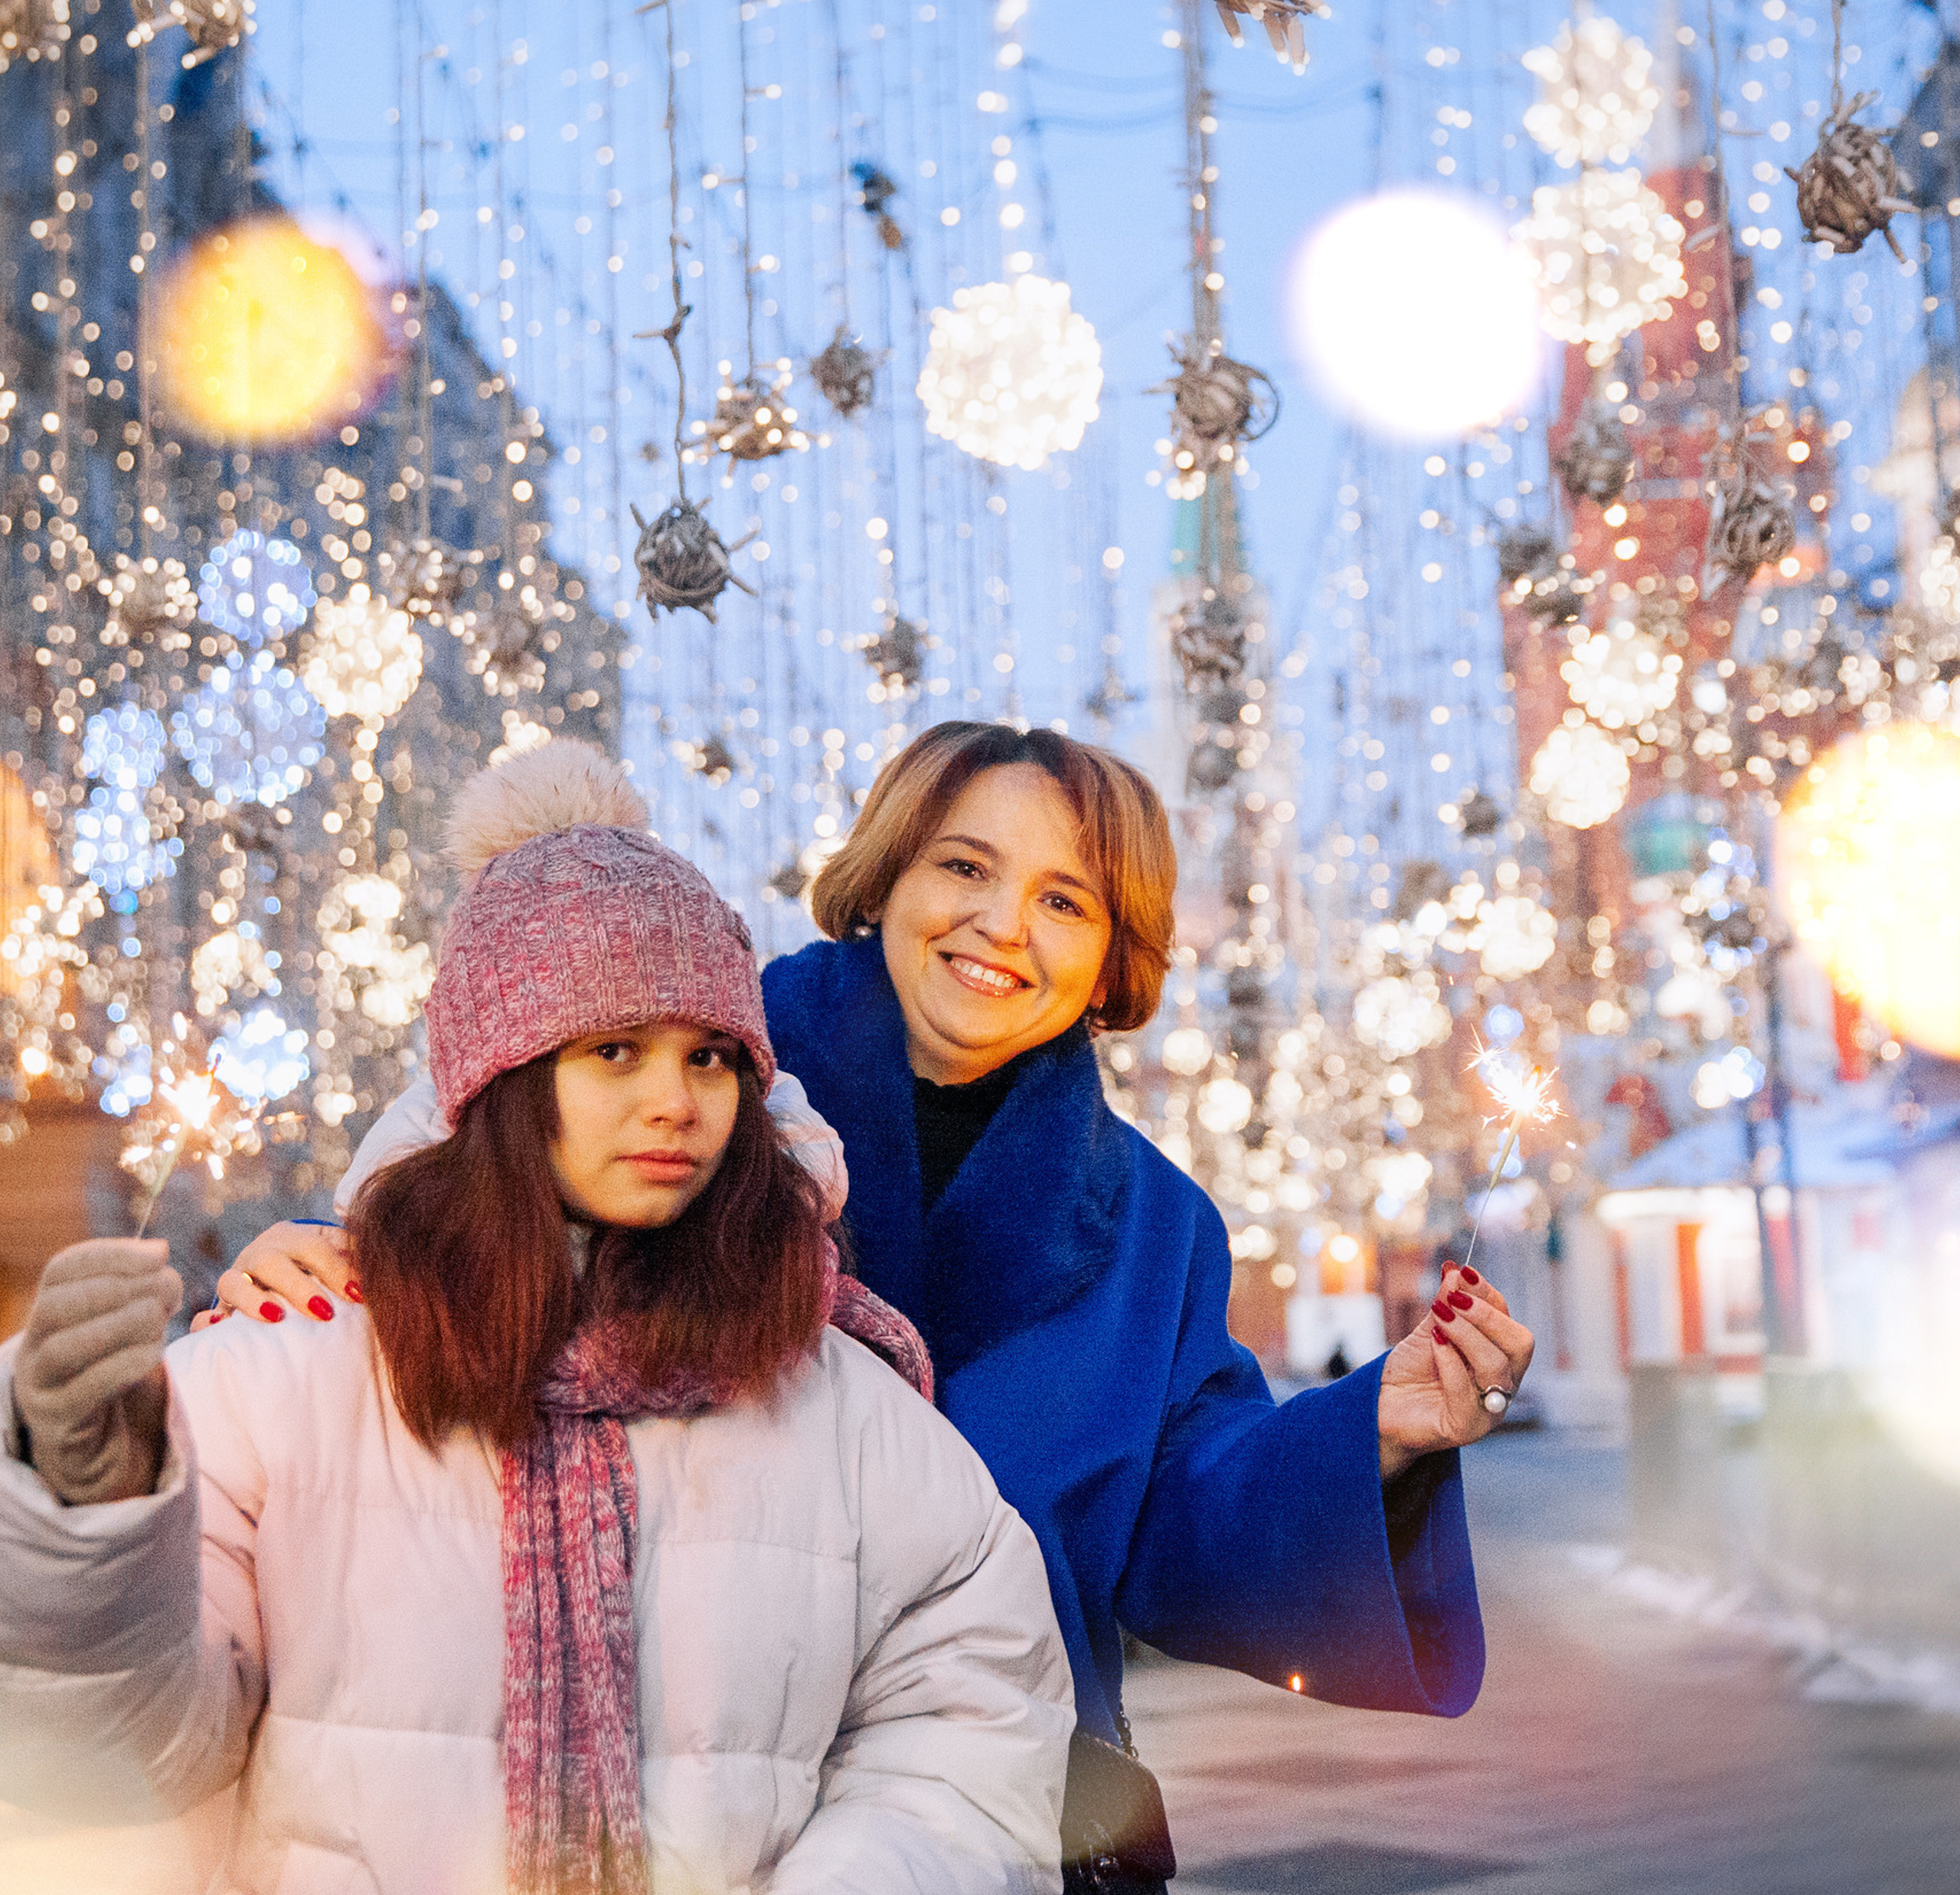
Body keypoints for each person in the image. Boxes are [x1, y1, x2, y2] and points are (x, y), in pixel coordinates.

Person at [224, 725, 1534, 1880]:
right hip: (666, 1803)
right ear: (889, 877)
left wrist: (1372, 1438)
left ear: (1113, 952)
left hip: (1004, 1815)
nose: (1003, 927)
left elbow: (1176, 1523)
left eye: (1066, 900)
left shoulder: (1151, 1224)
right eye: (964, 867)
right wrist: (335, 1263)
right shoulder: (677, 1076)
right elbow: (475, 1200)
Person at [0, 744, 1073, 1894]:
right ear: (504, 1076)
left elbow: (968, 1736)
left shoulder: (838, 1402)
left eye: (710, 1057)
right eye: (614, 1052)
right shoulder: (286, 1368)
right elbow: (111, 1767)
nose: (675, 1102)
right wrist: (87, 1514)